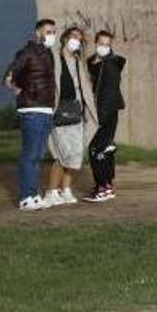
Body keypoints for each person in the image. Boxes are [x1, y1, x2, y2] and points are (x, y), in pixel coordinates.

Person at [4, 19, 60, 212]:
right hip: (32, 109)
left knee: (38, 155)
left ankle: (34, 195)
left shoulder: (47, 54)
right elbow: (9, 76)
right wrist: (17, 88)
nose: (51, 35)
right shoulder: (27, 52)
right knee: (30, 155)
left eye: (53, 31)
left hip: (46, 108)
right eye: (48, 31)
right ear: (38, 32)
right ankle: (26, 197)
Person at [41, 27, 96, 208]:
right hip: (60, 110)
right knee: (61, 154)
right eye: (73, 37)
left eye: (79, 39)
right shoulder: (54, 58)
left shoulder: (78, 60)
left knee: (75, 154)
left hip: (76, 110)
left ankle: (66, 189)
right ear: (64, 38)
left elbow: (84, 86)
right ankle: (51, 192)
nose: (76, 41)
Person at [83, 30, 126, 202]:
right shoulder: (97, 63)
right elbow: (93, 72)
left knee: (96, 149)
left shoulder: (111, 64)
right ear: (96, 43)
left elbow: (109, 93)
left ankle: (103, 187)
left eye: (107, 44)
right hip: (103, 110)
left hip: (106, 112)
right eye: (101, 43)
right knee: (104, 148)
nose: (104, 47)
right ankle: (106, 186)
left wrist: (101, 117)